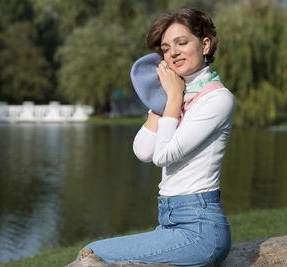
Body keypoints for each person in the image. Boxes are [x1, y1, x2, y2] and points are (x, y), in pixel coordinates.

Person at [80, 8, 234, 267]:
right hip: (170, 222)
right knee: (91, 253)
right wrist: (161, 100)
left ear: (205, 45)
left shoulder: (217, 99)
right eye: (165, 48)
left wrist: (173, 98)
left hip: (200, 230)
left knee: (93, 254)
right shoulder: (177, 94)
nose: (173, 53)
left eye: (182, 43)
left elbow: (163, 156)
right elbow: (143, 151)